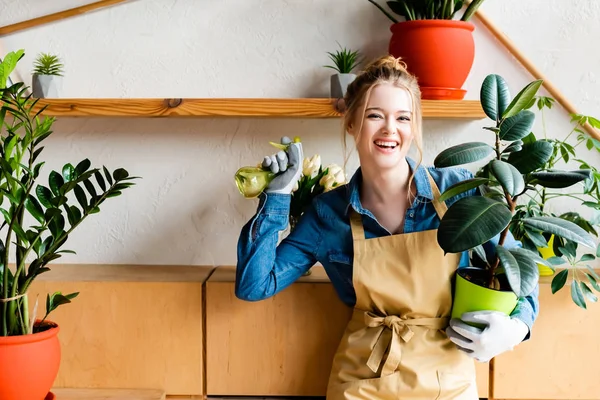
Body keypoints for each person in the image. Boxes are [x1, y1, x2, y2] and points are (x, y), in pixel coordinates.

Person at [235, 55, 539, 399]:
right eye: (374, 115)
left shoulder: (458, 191)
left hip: (447, 384)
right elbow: (254, 285)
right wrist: (277, 196)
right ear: (351, 123)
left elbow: (519, 269)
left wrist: (516, 327)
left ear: (414, 127)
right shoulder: (328, 213)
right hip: (360, 385)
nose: (390, 129)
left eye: (403, 118)